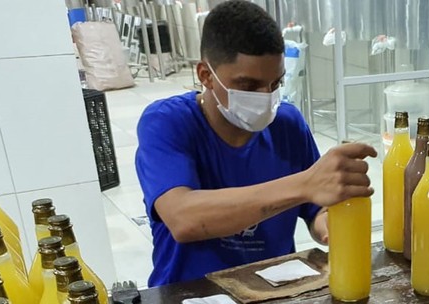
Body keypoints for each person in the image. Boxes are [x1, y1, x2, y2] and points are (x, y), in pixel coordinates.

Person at [135, 0, 376, 286]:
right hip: (189, 300)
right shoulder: (168, 123)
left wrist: (331, 228)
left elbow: (315, 210)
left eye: (275, 84)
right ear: (206, 75)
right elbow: (183, 218)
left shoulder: (287, 125)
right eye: (248, 86)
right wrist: (305, 184)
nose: (265, 97)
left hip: (272, 293)